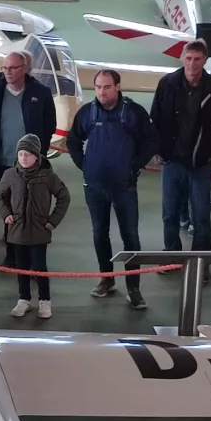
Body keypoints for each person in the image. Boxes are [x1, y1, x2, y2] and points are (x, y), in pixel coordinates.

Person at [66, 69, 158, 309]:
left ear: (117, 87)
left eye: (106, 87)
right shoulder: (87, 113)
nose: (101, 92)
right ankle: (106, 280)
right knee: (99, 234)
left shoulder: (133, 113)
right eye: (97, 87)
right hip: (95, 187)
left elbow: (151, 141)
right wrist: (84, 166)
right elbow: (73, 141)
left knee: (131, 237)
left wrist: (134, 165)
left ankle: (133, 289)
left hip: (124, 187)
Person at [150, 39, 211, 277]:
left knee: (201, 216)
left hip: (199, 165)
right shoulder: (167, 84)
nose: (192, 64)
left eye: (197, 59)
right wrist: (159, 150)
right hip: (171, 162)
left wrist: (209, 152)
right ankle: (171, 257)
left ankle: (200, 264)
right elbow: (154, 118)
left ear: (205, 60)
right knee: (170, 214)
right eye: (188, 58)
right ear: (182, 58)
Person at [0, 51, 56, 267]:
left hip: (24, 162)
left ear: (25, 68)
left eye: (13, 68)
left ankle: (12, 250)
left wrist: (38, 153)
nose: (7, 72)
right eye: (4, 68)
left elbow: (49, 124)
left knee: (17, 203)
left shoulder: (40, 92)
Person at [0, 134, 70, 319]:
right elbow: (0, 196)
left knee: (39, 267)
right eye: (20, 154)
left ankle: (45, 301)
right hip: (17, 231)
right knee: (21, 266)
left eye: (28, 154)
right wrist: (6, 215)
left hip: (39, 231)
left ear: (37, 156)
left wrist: (53, 220)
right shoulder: (10, 175)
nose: (23, 158)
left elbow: (64, 196)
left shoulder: (48, 177)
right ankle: (24, 299)